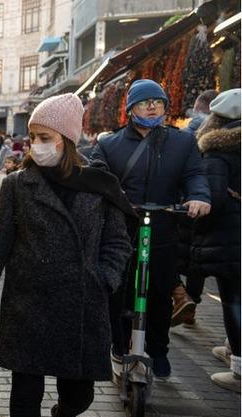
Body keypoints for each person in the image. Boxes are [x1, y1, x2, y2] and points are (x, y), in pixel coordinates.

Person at [0, 94, 133, 417]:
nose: (35, 145)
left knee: (82, 393)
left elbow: (118, 242)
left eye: (44, 136)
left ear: (67, 139)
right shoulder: (17, 186)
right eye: (33, 136)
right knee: (25, 395)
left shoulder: (99, 185)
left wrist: (104, 278)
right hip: (29, 303)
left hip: (82, 303)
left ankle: (65, 415)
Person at [91, 79, 211, 378]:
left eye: (158, 102)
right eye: (145, 102)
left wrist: (198, 197)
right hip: (121, 229)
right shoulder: (109, 144)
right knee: (118, 291)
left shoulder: (182, 142)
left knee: (159, 293)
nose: (153, 106)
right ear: (131, 108)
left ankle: (158, 350)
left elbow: (195, 175)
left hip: (164, 226)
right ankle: (119, 345)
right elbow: (97, 177)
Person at [188, 88, 241, 391]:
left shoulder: (218, 149)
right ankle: (232, 349)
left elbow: (213, 200)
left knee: (234, 299)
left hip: (230, 237)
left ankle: (239, 368)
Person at [172, 89, 219, 326]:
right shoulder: (221, 139)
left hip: (182, 206)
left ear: (199, 107)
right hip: (205, 206)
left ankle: (181, 298)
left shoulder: (187, 134)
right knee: (195, 262)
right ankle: (190, 304)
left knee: (173, 254)